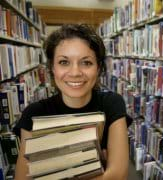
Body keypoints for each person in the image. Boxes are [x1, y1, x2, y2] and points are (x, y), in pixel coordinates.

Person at [13, 24, 129, 180]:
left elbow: (118, 175)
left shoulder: (112, 104)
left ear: (99, 68)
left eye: (86, 62)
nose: (75, 73)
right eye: (64, 62)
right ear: (52, 68)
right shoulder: (33, 114)